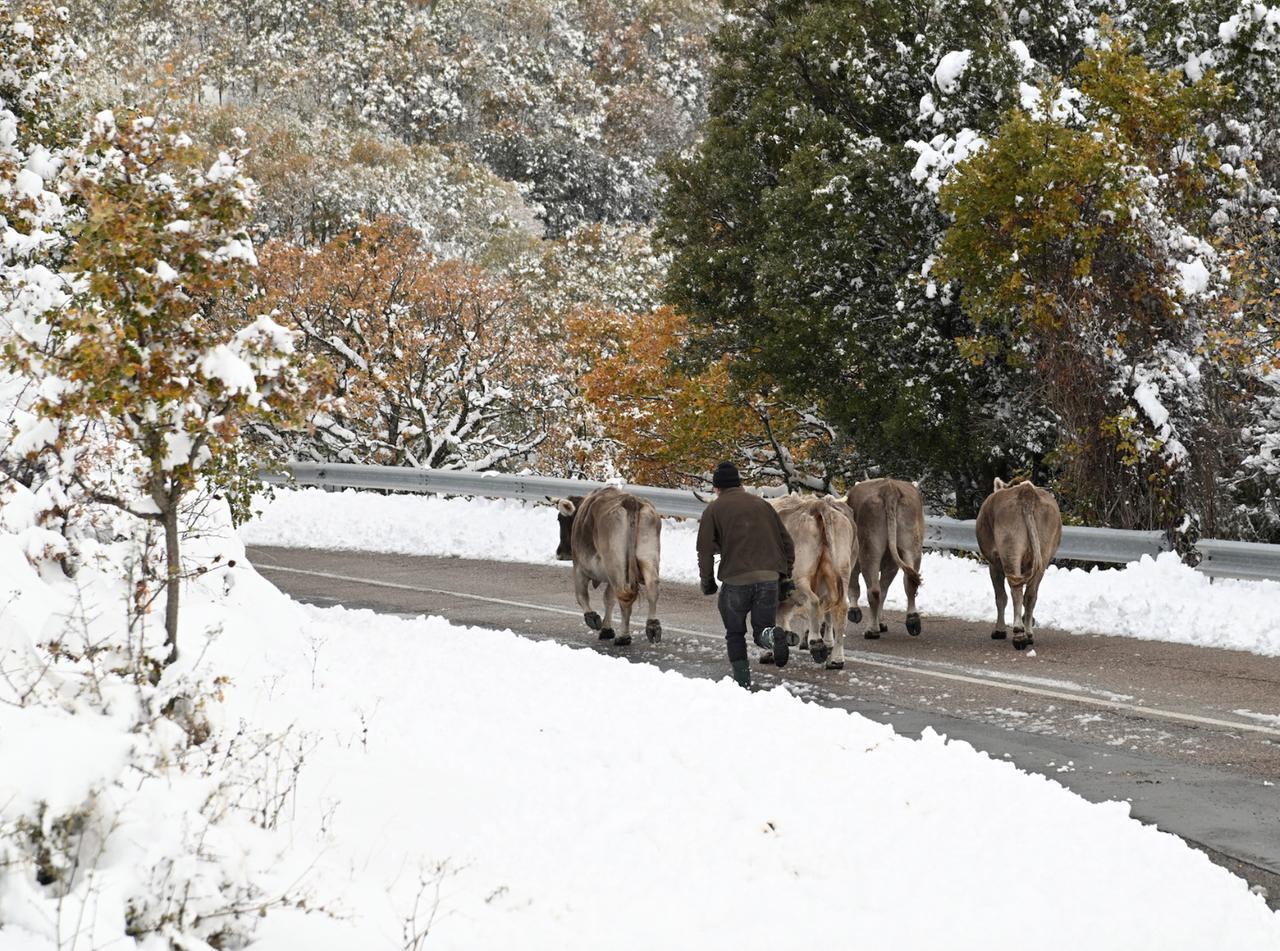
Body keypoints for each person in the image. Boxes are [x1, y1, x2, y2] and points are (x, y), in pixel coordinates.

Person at [697, 461, 795, 688]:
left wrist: (708, 582)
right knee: (761, 629)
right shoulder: (763, 505)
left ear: (717, 488)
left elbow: (705, 551)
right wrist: (784, 576)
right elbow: (787, 544)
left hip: (735, 580)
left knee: (735, 632)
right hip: (769, 578)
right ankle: (773, 636)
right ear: (740, 484)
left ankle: (742, 682)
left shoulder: (713, 509)